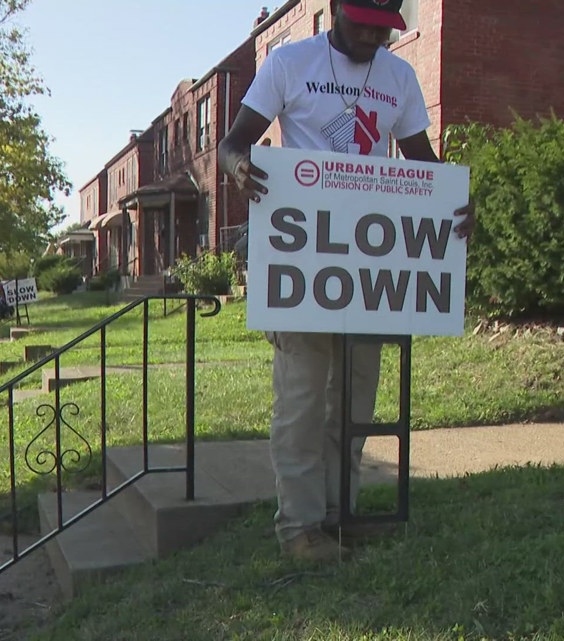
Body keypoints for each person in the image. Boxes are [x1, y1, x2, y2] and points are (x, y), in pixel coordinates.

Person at [218, 0, 475, 562]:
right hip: (302, 264)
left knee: (354, 403)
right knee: (302, 403)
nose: (371, 37)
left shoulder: (399, 76)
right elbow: (232, 142)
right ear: (334, 10)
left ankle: (343, 516)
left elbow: (422, 162)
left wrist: (454, 204)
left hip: (366, 272)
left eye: (383, 29)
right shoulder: (289, 63)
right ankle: (300, 532)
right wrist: (240, 167)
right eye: (361, 23)